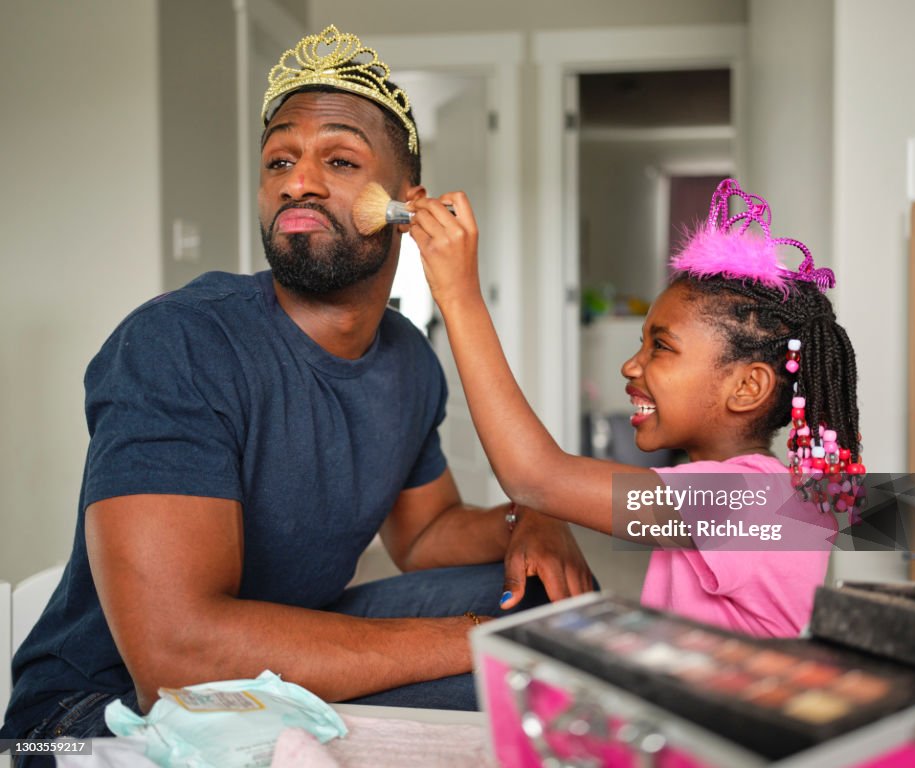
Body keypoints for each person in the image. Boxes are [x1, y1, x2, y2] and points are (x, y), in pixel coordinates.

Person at [0, 24, 593, 758]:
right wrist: (474, 640)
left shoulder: (408, 359)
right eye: (279, 158)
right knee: (527, 668)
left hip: (267, 656)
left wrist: (526, 521)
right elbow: (176, 658)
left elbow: (427, 534)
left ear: (409, 204)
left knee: (549, 603)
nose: (297, 181)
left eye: (338, 160)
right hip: (97, 714)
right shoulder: (177, 344)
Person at [408, 177, 866, 639]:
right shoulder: (749, 492)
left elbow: (535, 477)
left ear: (747, 387)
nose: (630, 366)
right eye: (640, 344)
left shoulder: (749, 500)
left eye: (661, 347)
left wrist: (460, 297)